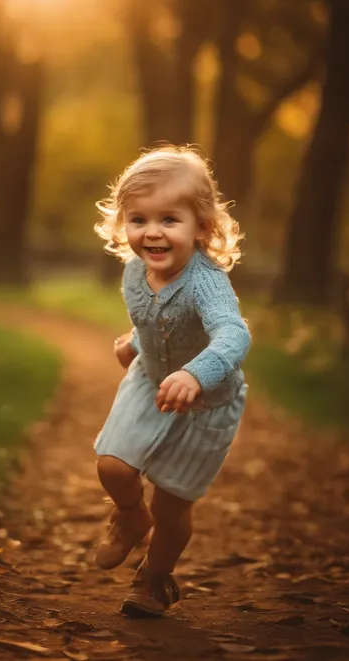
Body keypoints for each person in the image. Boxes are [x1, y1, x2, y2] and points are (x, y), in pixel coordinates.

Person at [93, 146, 251, 617]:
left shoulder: (206, 282)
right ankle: (127, 515)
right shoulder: (134, 271)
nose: (152, 232)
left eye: (169, 219)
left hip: (207, 402)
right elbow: (161, 324)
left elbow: (233, 333)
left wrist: (194, 374)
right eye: (138, 219)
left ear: (202, 227)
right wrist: (135, 343)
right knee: (113, 467)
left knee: (172, 507)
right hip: (151, 382)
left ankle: (154, 577)